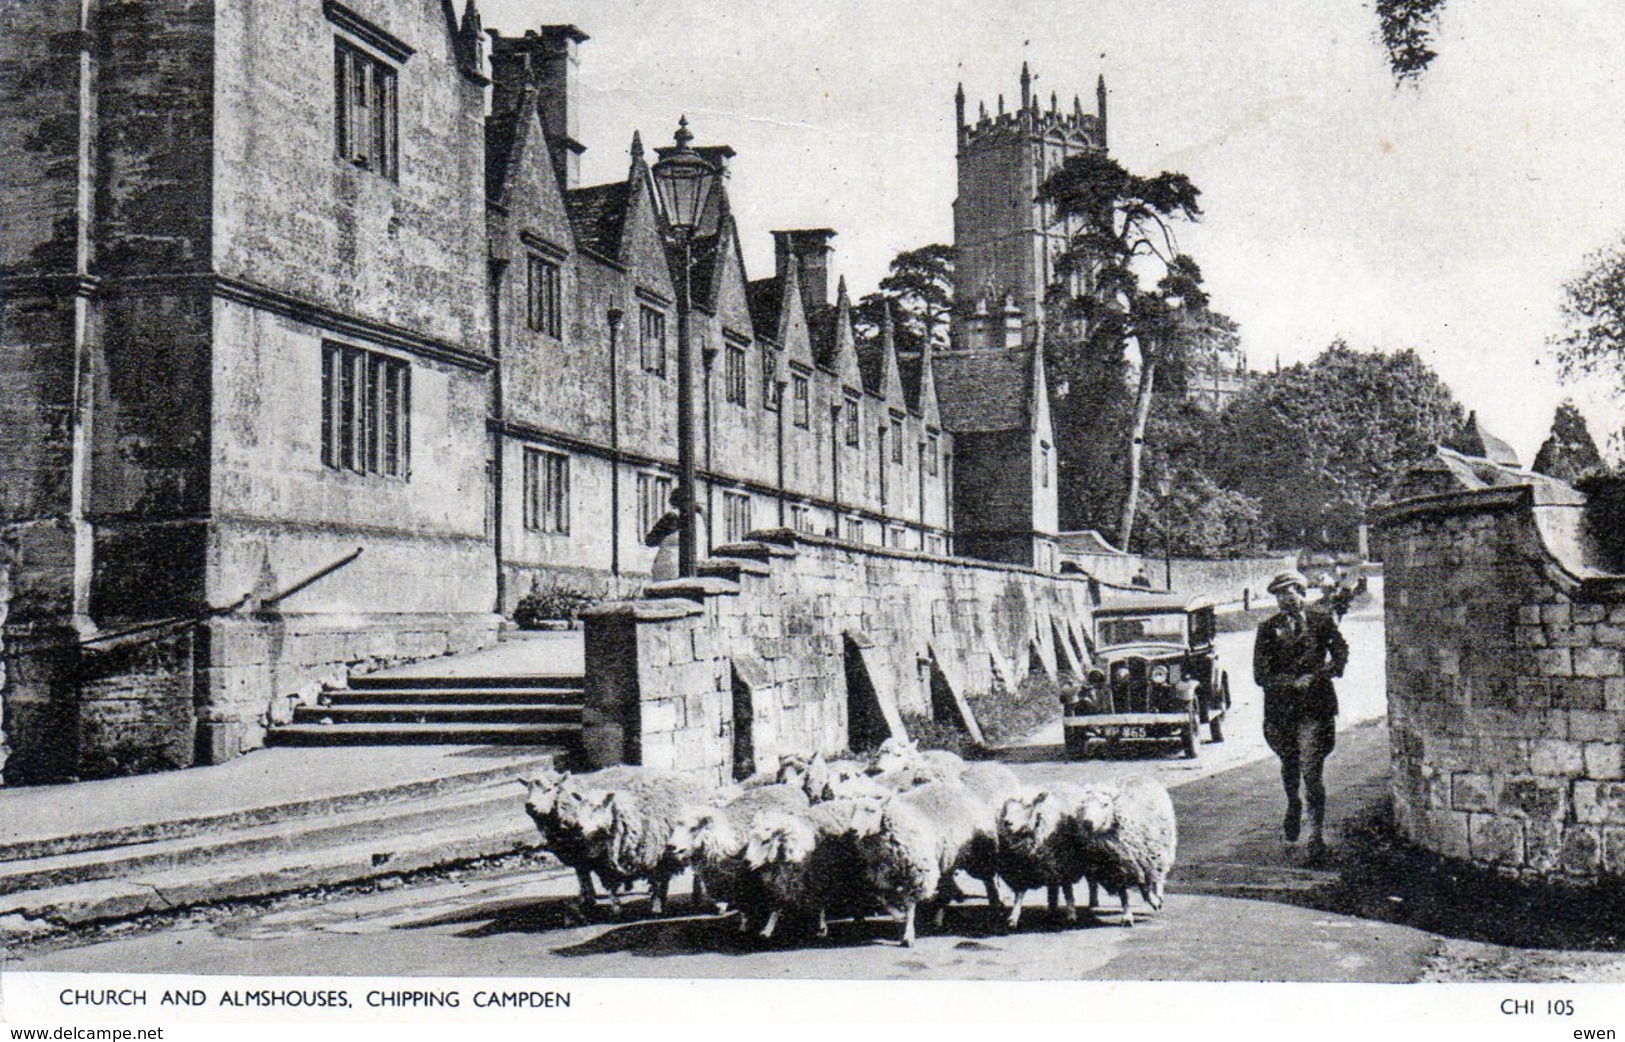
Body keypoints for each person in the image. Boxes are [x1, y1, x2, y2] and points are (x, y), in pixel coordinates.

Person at [1253, 569, 1348, 861]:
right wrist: (1288, 683)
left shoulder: (1320, 620)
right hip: (1281, 712)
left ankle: (1315, 834)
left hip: (1314, 709)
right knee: (1290, 765)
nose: (1283, 600)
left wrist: (1319, 674)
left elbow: (1341, 653)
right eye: (1278, 595)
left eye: (1287, 593)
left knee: (1311, 770)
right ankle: (1293, 804)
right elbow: (1260, 674)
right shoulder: (1268, 628)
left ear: (1301, 592)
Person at [644, 487, 706, 583]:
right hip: (694, 567)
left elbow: (650, 541)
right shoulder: (700, 518)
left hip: (669, 566)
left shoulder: (672, 516)